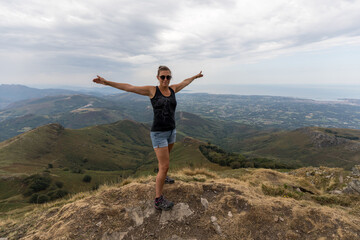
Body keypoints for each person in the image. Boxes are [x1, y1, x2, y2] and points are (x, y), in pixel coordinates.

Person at [93, 66, 203, 210]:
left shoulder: (173, 89)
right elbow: (129, 87)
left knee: (166, 160)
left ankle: (164, 177)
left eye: (168, 77)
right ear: (157, 77)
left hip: (171, 131)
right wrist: (106, 82)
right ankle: (158, 200)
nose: (165, 79)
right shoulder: (152, 90)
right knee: (164, 166)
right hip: (158, 133)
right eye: (162, 77)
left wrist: (194, 77)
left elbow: (185, 81)